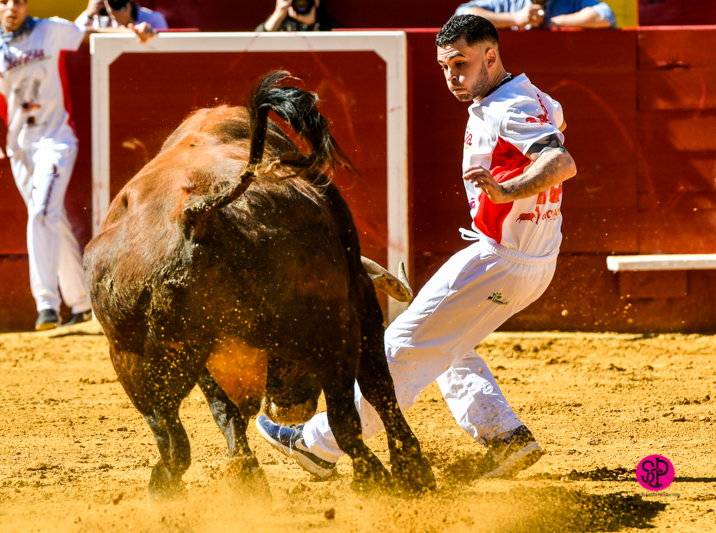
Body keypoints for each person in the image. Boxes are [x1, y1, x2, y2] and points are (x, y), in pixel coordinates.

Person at [256, 13, 577, 480]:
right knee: (449, 344)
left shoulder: (511, 107)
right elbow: (553, 122)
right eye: (445, 66)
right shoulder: (530, 99)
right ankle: (505, 437)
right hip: (534, 260)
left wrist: (508, 191)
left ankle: (319, 444)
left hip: (497, 259)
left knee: (402, 346)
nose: (452, 77)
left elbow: (559, 159)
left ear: (491, 56)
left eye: (461, 64)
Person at [0, 0, 156, 331]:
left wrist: (130, 29)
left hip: (56, 141)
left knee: (41, 212)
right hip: (19, 148)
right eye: (4, 2)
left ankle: (46, 304)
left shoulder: (50, 30)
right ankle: (81, 303)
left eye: (18, 1)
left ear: (26, 6)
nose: (12, 7)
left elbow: (92, 33)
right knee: (51, 221)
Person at [455, 0, 616, 29]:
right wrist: (514, 19)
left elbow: (606, 15)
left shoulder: (569, 1)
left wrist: (556, 22)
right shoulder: (506, 1)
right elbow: (462, 15)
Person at [75, 0, 167, 31]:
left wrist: (128, 23)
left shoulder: (153, 19)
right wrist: (88, 14)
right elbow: (73, 36)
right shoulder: (94, 17)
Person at [255, 0, 340, 32]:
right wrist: (278, 15)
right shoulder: (281, 24)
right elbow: (255, 43)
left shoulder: (330, 26)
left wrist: (311, 25)